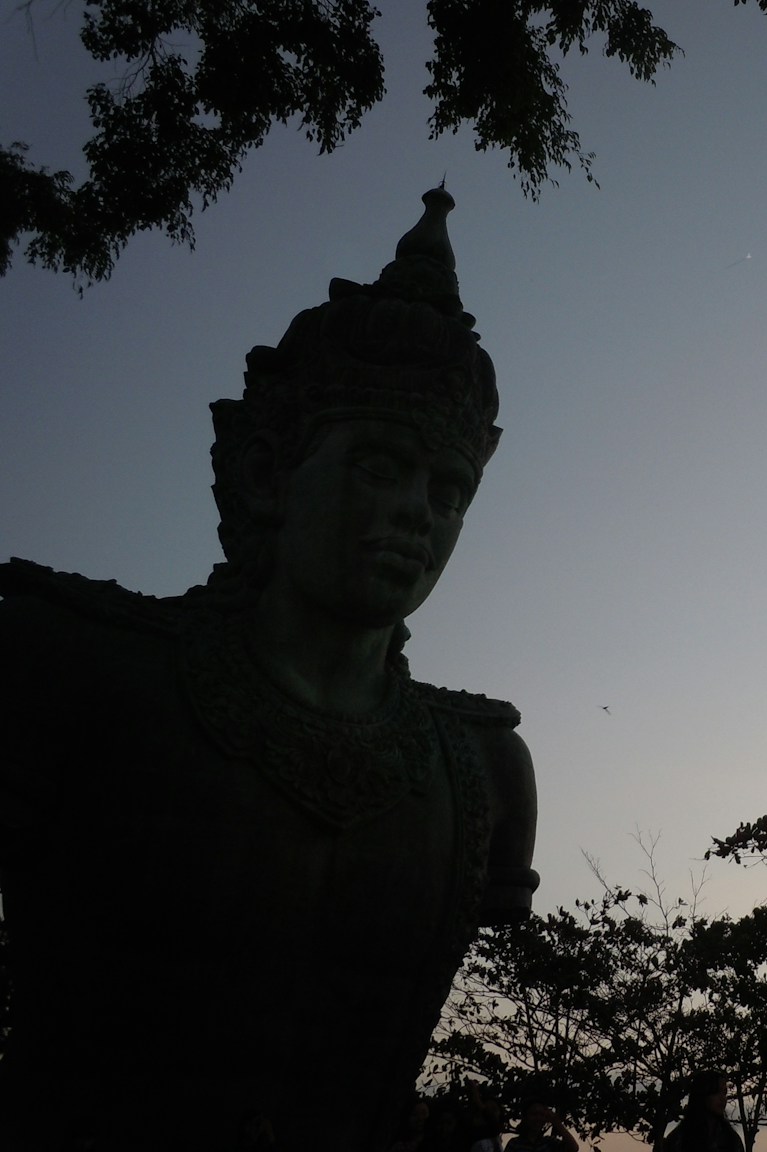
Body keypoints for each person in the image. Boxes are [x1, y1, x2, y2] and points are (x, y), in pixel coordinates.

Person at [0, 187, 539, 1152]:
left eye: (447, 487)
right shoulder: (65, 664)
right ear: (263, 473)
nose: (419, 511)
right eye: (378, 466)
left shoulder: (485, 768)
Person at [665, 1070, 744, 1152]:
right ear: (702, 1095)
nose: (722, 1098)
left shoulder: (731, 1139)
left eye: (724, 1093)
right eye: (716, 1092)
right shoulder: (679, 1138)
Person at [505, 1104, 580, 1152]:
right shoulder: (514, 1144)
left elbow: (573, 1148)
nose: (538, 1118)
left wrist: (556, 1122)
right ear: (525, 1118)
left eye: (542, 1115)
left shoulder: (549, 1142)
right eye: (534, 1114)